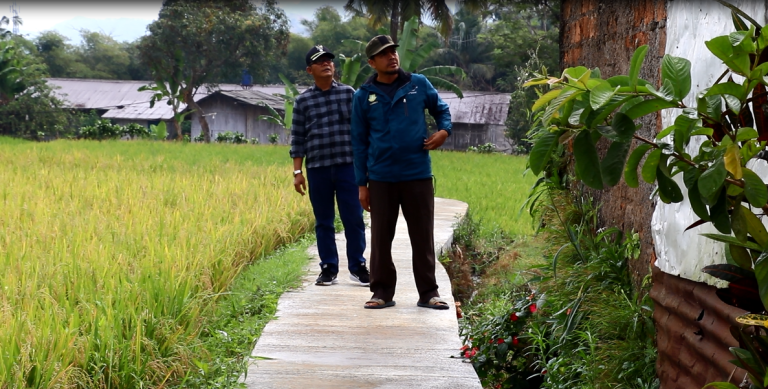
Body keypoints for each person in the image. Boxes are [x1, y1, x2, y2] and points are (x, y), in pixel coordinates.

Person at [350, 35, 452, 310]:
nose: (392, 56)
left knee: (422, 235)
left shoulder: (418, 84)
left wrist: (443, 131)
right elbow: (359, 143)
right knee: (381, 238)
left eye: (393, 51)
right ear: (372, 62)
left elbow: (441, 109)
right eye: (384, 54)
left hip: (417, 174)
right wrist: (362, 185)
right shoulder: (363, 96)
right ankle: (381, 292)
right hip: (381, 177)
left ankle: (429, 292)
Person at [290, 44, 370, 287]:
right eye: (320, 61)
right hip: (318, 169)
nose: (326, 64)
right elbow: (297, 138)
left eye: (329, 60)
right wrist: (297, 172)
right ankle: (328, 267)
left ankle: (358, 266)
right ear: (309, 69)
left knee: (353, 218)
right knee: (323, 220)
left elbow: (362, 130)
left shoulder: (349, 93)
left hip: (348, 167)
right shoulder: (303, 101)